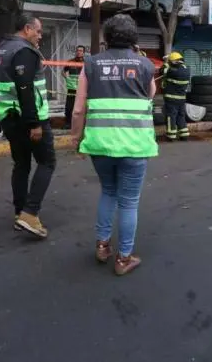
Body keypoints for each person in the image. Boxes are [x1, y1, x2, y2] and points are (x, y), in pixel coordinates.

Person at [70, 14, 159, 276]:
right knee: (129, 202)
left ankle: (102, 246)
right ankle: (124, 258)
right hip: (134, 145)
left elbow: (78, 109)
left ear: (106, 37)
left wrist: (76, 138)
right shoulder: (145, 64)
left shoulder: (91, 63)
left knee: (108, 192)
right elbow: (151, 94)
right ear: (133, 38)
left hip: (100, 144)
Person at [0, 13, 56, 239]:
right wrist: (34, 123)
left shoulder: (3, 49)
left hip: (9, 117)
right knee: (47, 162)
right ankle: (30, 213)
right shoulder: (24, 51)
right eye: (38, 31)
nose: (40, 36)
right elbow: (25, 89)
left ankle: (20, 213)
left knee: (21, 164)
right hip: (27, 119)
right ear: (27, 29)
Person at [161, 52, 191, 141]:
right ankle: (184, 134)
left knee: (171, 116)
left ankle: (171, 135)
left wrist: (166, 61)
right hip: (182, 99)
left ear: (173, 61)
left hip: (171, 98)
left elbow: (162, 70)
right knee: (181, 116)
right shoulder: (187, 69)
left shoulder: (171, 71)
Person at [63, 45, 86, 128]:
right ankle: (68, 123)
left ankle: (82, 124)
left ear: (84, 53)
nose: (78, 52)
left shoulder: (86, 62)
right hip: (72, 89)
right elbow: (63, 72)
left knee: (82, 106)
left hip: (82, 89)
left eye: (80, 51)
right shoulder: (70, 61)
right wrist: (67, 78)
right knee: (69, 107)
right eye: (77, 50)